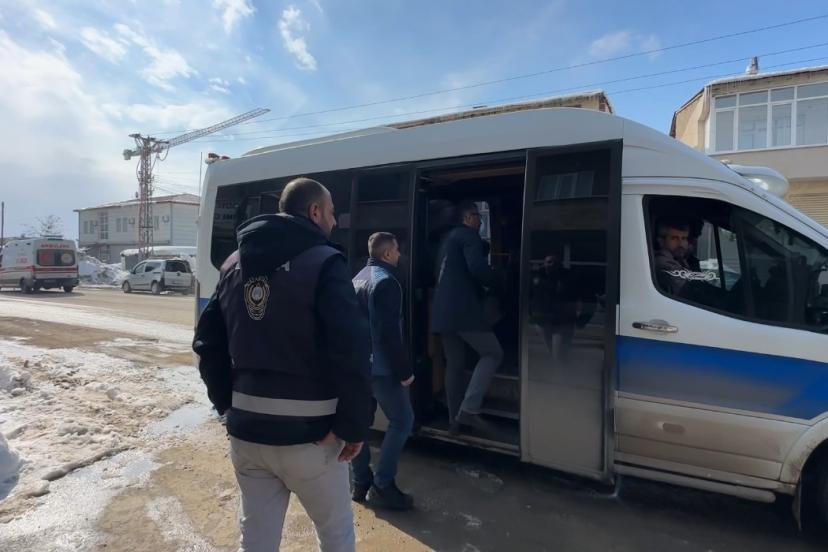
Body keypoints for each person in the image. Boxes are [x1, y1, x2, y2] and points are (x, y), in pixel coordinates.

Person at [192, 177, 372, 552]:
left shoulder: (232, 264)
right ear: (315, 211)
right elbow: (351, 348)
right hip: (313, 437)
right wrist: (352, 426)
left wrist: (228, 406)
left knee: (256, 539)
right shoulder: (325, 262)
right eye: (332, 212)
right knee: (336, 536)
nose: (334, 221)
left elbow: (207, 344)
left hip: (247, 435)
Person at [351, 232, 416, 510]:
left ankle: (360, 481)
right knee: (402, 420)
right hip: (381, 368)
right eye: (397, 249)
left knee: (360, 423)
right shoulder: (387, 282)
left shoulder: (358, 278)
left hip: (359, 365)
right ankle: (383, 484)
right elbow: (389, 334)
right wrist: (404, 371)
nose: (399, 254)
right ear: (387, 253)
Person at [431, 200, 503, 435]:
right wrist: (498, 281)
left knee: (455, 363)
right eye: (477, 216)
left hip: (443, 312)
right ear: (468, 218)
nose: (480, 221)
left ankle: (454, 421)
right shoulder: (468, 235)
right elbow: (478, 269)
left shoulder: (447, 239)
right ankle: (469, 409)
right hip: (463, 310)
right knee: (493, 353)